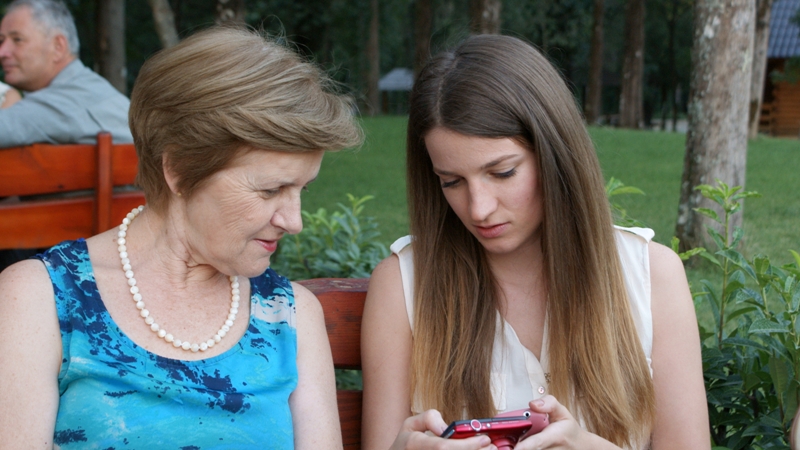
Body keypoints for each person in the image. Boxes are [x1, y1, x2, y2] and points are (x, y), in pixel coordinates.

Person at [0, 26, 362, 448]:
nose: (294, 221)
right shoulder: (41, 298)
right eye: (270, 190)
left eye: (303, 189)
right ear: (179, 170)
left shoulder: (289, 316)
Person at [361, 35, 709, 450]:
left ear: (554, 155)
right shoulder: (403, 285)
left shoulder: (651, 276)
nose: (479, 208)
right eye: (451, 182)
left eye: (503, 172)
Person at [0, 0, 132, 147]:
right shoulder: (90, 90)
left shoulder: (64, 101)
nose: (2, 52)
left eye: (17, 39)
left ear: (58, 47)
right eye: (1, 41)